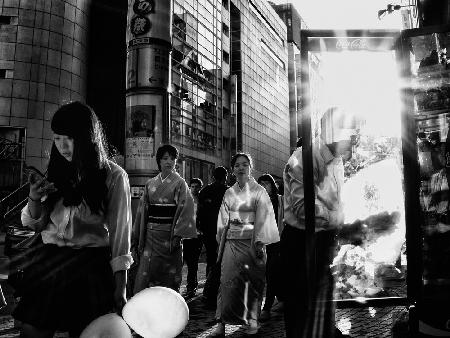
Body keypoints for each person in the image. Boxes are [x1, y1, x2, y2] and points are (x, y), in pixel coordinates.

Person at [13, 101, 133, 337]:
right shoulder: (57, 173)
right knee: (32, 331)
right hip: (49, 261)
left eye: (69, 138)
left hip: (89, 267)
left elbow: (121, 236)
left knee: (85, 332)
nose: (63, 146)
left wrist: (121, 287)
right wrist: (34, 198)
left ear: (88, 137)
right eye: (57, 138)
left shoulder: (114, 176)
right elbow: (34, 224)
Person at [281, 111, 356, 337]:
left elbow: (335, 200)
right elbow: (303, 208)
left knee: (324, 294)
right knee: (300, 302)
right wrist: (338, 218)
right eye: (348, 133)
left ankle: (326, 330)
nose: (352, 139)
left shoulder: (337, 160)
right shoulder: (301, 159)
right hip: (300, 241)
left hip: (324, 239)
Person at [211, 153, 280, 337]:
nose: (241, 168)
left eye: (245, 164)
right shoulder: (229, 192)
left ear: (251, 168)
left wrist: (259, 242)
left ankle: (253, 320)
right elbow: (222, 221)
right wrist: (221, 242)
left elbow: (265, 218)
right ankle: (221, 323)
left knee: (254, 283)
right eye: (237, 165)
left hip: (253, 243)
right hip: (232, 242)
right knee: (226, 282)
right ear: (232, 170)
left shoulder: (259, 191)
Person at [133, 144, 196, 293]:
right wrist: (138, 236)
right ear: (159, 161)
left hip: (170, 235)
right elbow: (142, 211)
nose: (169, 162)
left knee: (169, 274)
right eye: (165, 158)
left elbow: (186, 210)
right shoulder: (150, 183)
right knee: (146, 273)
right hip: (150, 235)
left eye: (172, 159)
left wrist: (178, 235)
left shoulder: (180, 183)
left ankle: (168, 302)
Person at [257, 173, 284, 322]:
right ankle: (282, 298)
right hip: (263, 243)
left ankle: (266, 308)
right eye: (261, 184)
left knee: (271, 274)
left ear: (272, 186)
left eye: (266, 184)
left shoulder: (281, 200)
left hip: (278, 243)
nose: (264, 187)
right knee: (271, 274)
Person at [197, 166, 229, 276]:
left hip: (208, 230)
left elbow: (199, 212)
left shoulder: (205, 191)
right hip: (224, 230)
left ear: (213, 177)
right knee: (223, 257)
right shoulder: (228, 191)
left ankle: (209, 282)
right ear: (225, 177)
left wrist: (200, 227)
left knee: (210, 257)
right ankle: (219, 282)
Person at [182, 177, 204, 299]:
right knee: (183, 262)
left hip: (197, 236)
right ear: (190, 187)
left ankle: (191, 287)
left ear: (200, 187)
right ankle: (185, 285)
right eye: (193, 186)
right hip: (185, 235)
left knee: (193, 263)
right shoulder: (185, 199)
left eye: (197, 187)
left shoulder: (202, 201)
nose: (194, 189)